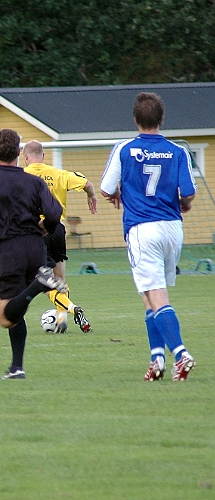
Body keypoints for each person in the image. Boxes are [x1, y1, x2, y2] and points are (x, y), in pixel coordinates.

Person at [101, 92, 197, 382]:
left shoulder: (125, 149)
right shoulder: (177, 151)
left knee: (156, 296)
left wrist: (118, 193)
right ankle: (157, 360)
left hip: (143, 229)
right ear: (161, 119)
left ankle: (181, 354)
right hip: (172, 228)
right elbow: (189, 192)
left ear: (135, 120)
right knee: (149, 296)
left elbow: (106, 189)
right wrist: (187, 203)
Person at [0, 129, 67, 379]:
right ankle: (17, 367)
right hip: (35, 248)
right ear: (19, 152)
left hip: (7, 250)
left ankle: (39, 285)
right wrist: (43, 228)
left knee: (4, 317)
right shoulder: (34, 181)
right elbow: (55, 212)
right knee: (16, 305)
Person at [22, 140, 96, 333]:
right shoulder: (59, 174)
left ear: (25, 157)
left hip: (37, 231)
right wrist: (91, 196)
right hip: (58, 229)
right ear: (43, 156)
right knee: (60, 278)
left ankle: (72, 309)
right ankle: (61, 320)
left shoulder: (21, 177)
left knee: (44, 281)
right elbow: (87, 183)